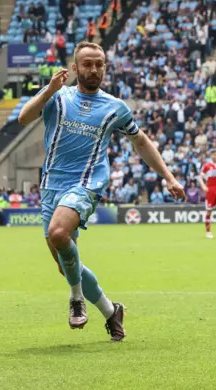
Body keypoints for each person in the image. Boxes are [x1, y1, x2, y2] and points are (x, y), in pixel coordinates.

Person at [17, 41, 186, 342]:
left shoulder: (115, 107)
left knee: (59, 234)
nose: (94, 69)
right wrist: (49, 90)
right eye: (87, 64)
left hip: (87, 183)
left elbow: (142, 142)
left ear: (105, 67)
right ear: (75, 67)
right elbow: (24, 118)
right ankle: (111, 311)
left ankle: (75, 298)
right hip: (51, 185)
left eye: (99, 64)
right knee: (66, 264)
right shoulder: (58, 98)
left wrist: (169, 177)